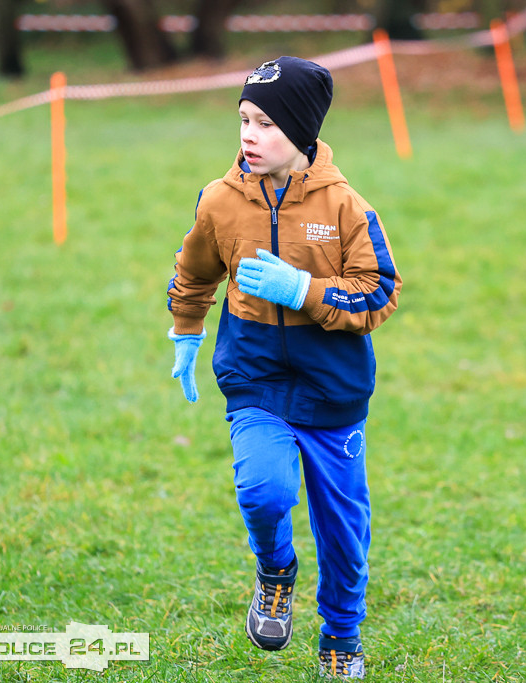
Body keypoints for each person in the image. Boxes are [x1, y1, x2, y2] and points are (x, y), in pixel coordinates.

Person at [166, 56, 402, 678]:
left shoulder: (347, 207)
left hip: (334, 392)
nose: (249, 134)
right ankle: (275, 570)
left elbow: (378, 291)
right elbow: (194, 269)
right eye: (243, 119)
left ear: (300, 132)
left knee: (342, 535)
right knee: (264, 491)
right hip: (256, 381)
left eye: (266, 123)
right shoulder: (220, 201)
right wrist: (186, 329)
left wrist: (304, 290)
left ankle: (341, 638)